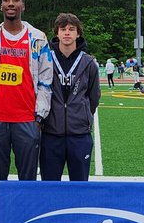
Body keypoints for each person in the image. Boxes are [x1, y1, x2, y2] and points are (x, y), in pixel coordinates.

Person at [0, 0, 52, 180]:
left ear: (23, 6)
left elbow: (46, 80)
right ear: (1, 5)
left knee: (28, 182)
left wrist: (39, 118)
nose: (10, 3)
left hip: (26, 120)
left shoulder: (38, 38)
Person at [41, 13, 101, 181]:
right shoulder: (46, 60)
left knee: (80, 185)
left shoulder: (89, 63)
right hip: (51, 134)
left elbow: (93, 97)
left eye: (71, 29)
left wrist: (83, 117)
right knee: (50, 186)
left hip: (79, 135)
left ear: (78, 33)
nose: (67, 33)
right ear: (57, 33)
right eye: (63, 29)